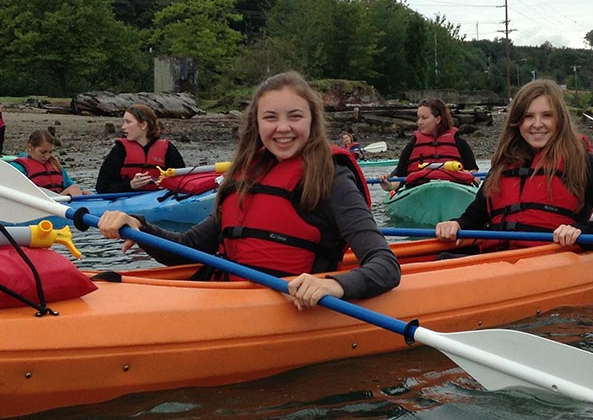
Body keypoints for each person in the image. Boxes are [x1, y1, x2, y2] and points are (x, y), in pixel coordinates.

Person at [96, 71, 400, 310]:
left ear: (312, 121)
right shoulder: (245, 175)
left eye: (295, 116)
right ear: (256, 123)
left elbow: (385, 265)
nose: (283, 128)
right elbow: (187, 247)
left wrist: (335, 285)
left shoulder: (332, 178)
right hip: (227, 297)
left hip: (289, 306)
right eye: (271, 117)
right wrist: (138, 225)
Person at [435, 79, 593, 252]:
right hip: (496, 258)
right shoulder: (503, 164)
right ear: (517, 122)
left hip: (549, 258)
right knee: (444, 258)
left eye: (547, 115)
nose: (537, 124)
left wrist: (581, 231)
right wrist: (456, 224)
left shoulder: (581, 162)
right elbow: (475, 218)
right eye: (528, 116)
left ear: (559, 120)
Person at [379, 98, 478, 192]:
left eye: (424, 118)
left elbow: (476, 177)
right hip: (418, 188)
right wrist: (389, 186)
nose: (419, 122)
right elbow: (399, 177)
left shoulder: (459, 142)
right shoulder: (413, 144)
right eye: (418, 118)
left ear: (438, 119)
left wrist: (471, 176)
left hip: (455, 188)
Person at [95, 104, 186, 194]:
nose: (123, 127)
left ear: (143, 125)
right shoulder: (119, 150)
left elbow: (183, 182)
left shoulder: (168, 149)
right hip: (127, 201)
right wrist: (130, 185)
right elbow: (102, 188)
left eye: (128, 122)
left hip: (158, 199)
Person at [10, 130, 88, 196]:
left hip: (57, 202)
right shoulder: (18, 167)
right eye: (43, 152)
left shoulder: (55, 165)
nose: (47, 156)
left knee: (82, 191)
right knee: (74, 190)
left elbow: (69, 185)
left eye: (50, 152)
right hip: (39, 202)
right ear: (30, 147)